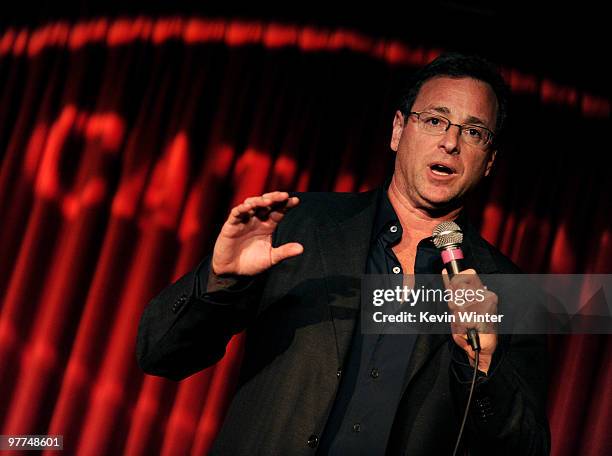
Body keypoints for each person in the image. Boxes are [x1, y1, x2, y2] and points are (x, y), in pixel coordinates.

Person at [136, 53, 550, 455]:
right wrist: (219, 280)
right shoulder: (300, 226)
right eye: (435, 120)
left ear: (490, 161)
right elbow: (161, 354)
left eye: (474, 132)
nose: (451, 142)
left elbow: (526, 447)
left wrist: (485, 366)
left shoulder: (507, 293)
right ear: (397, 129)